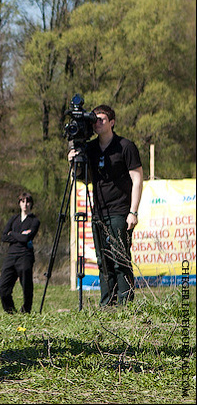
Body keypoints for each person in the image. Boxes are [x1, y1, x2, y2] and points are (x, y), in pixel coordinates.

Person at [69, 104, 143, 306]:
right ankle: (107, 304)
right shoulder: (90, 148)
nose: (97, 123)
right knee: (103, 261)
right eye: (94, 120)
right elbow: (84, 179)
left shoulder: (125, 146)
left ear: (112, 122)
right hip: (98, 211)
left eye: (101, 119)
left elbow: (137, 179)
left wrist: (133, 212)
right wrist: (73, 163)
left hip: (120, 210)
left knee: (120, 259)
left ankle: (125, 304)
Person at [0, 191, 40, 314]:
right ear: (19, 203)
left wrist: (13, 234)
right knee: (3, 287)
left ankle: (26, 310)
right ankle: (10, 310)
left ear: (31, 204)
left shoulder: (34, 221)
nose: (25, 204)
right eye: (22, 201)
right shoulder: (13, 219)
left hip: (25, 255)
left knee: (26, 285)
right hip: (11, 255)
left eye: (27, 202)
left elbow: (27, 238)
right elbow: (4, 236)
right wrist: (20, 235)